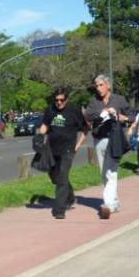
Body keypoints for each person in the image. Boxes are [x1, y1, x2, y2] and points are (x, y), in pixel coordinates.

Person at [85, 75, 134, 219]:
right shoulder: (94, 101)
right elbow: (87, 115)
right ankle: (115, 202)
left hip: (115, 140)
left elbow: (131, 116)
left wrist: (120, 116)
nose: (98, 88)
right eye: (97, 86)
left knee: (111, 172)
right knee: (104, 172)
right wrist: (101, 113)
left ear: (108, 85)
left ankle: (108, 205)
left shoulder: (119, 100)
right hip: (99, 139)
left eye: (101, 85)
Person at [39, 87, 87, 219]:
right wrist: (39, 136)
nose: (59, 103)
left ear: (67, 99)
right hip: (52, 148)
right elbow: (45, 125)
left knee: (62, 177)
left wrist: (77, 146)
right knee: (55, 177)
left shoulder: (74, 110)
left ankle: (59, 209)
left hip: (68, 149)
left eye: (62, 100)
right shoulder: (50, 109)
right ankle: (70, 197)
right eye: (56, 100)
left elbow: (85, 129)